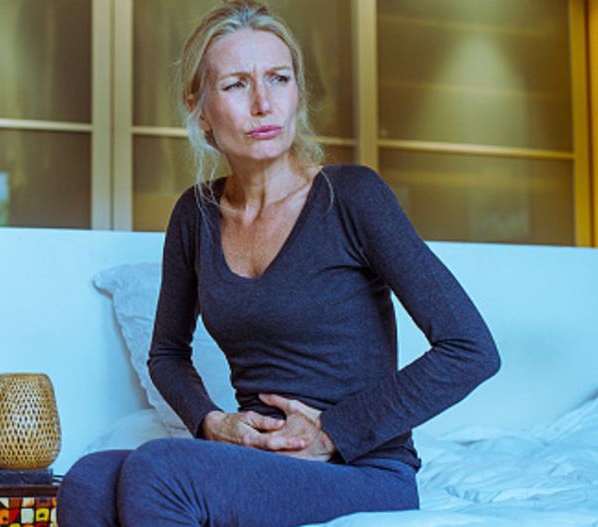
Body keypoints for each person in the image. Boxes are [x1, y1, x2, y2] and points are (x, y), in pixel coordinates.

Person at [58, 1, 500, 525]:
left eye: (278, 78)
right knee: (87, 481)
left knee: (162, 469)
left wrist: (334, 431)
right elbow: (168, 355)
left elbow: (471, 349)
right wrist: (211, 422)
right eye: (236, 85)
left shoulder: (352, 197)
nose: (263, 103)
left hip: (362, 470)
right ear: (201, 109)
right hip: (262, 459)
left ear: (297, 94)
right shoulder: (195, 215)